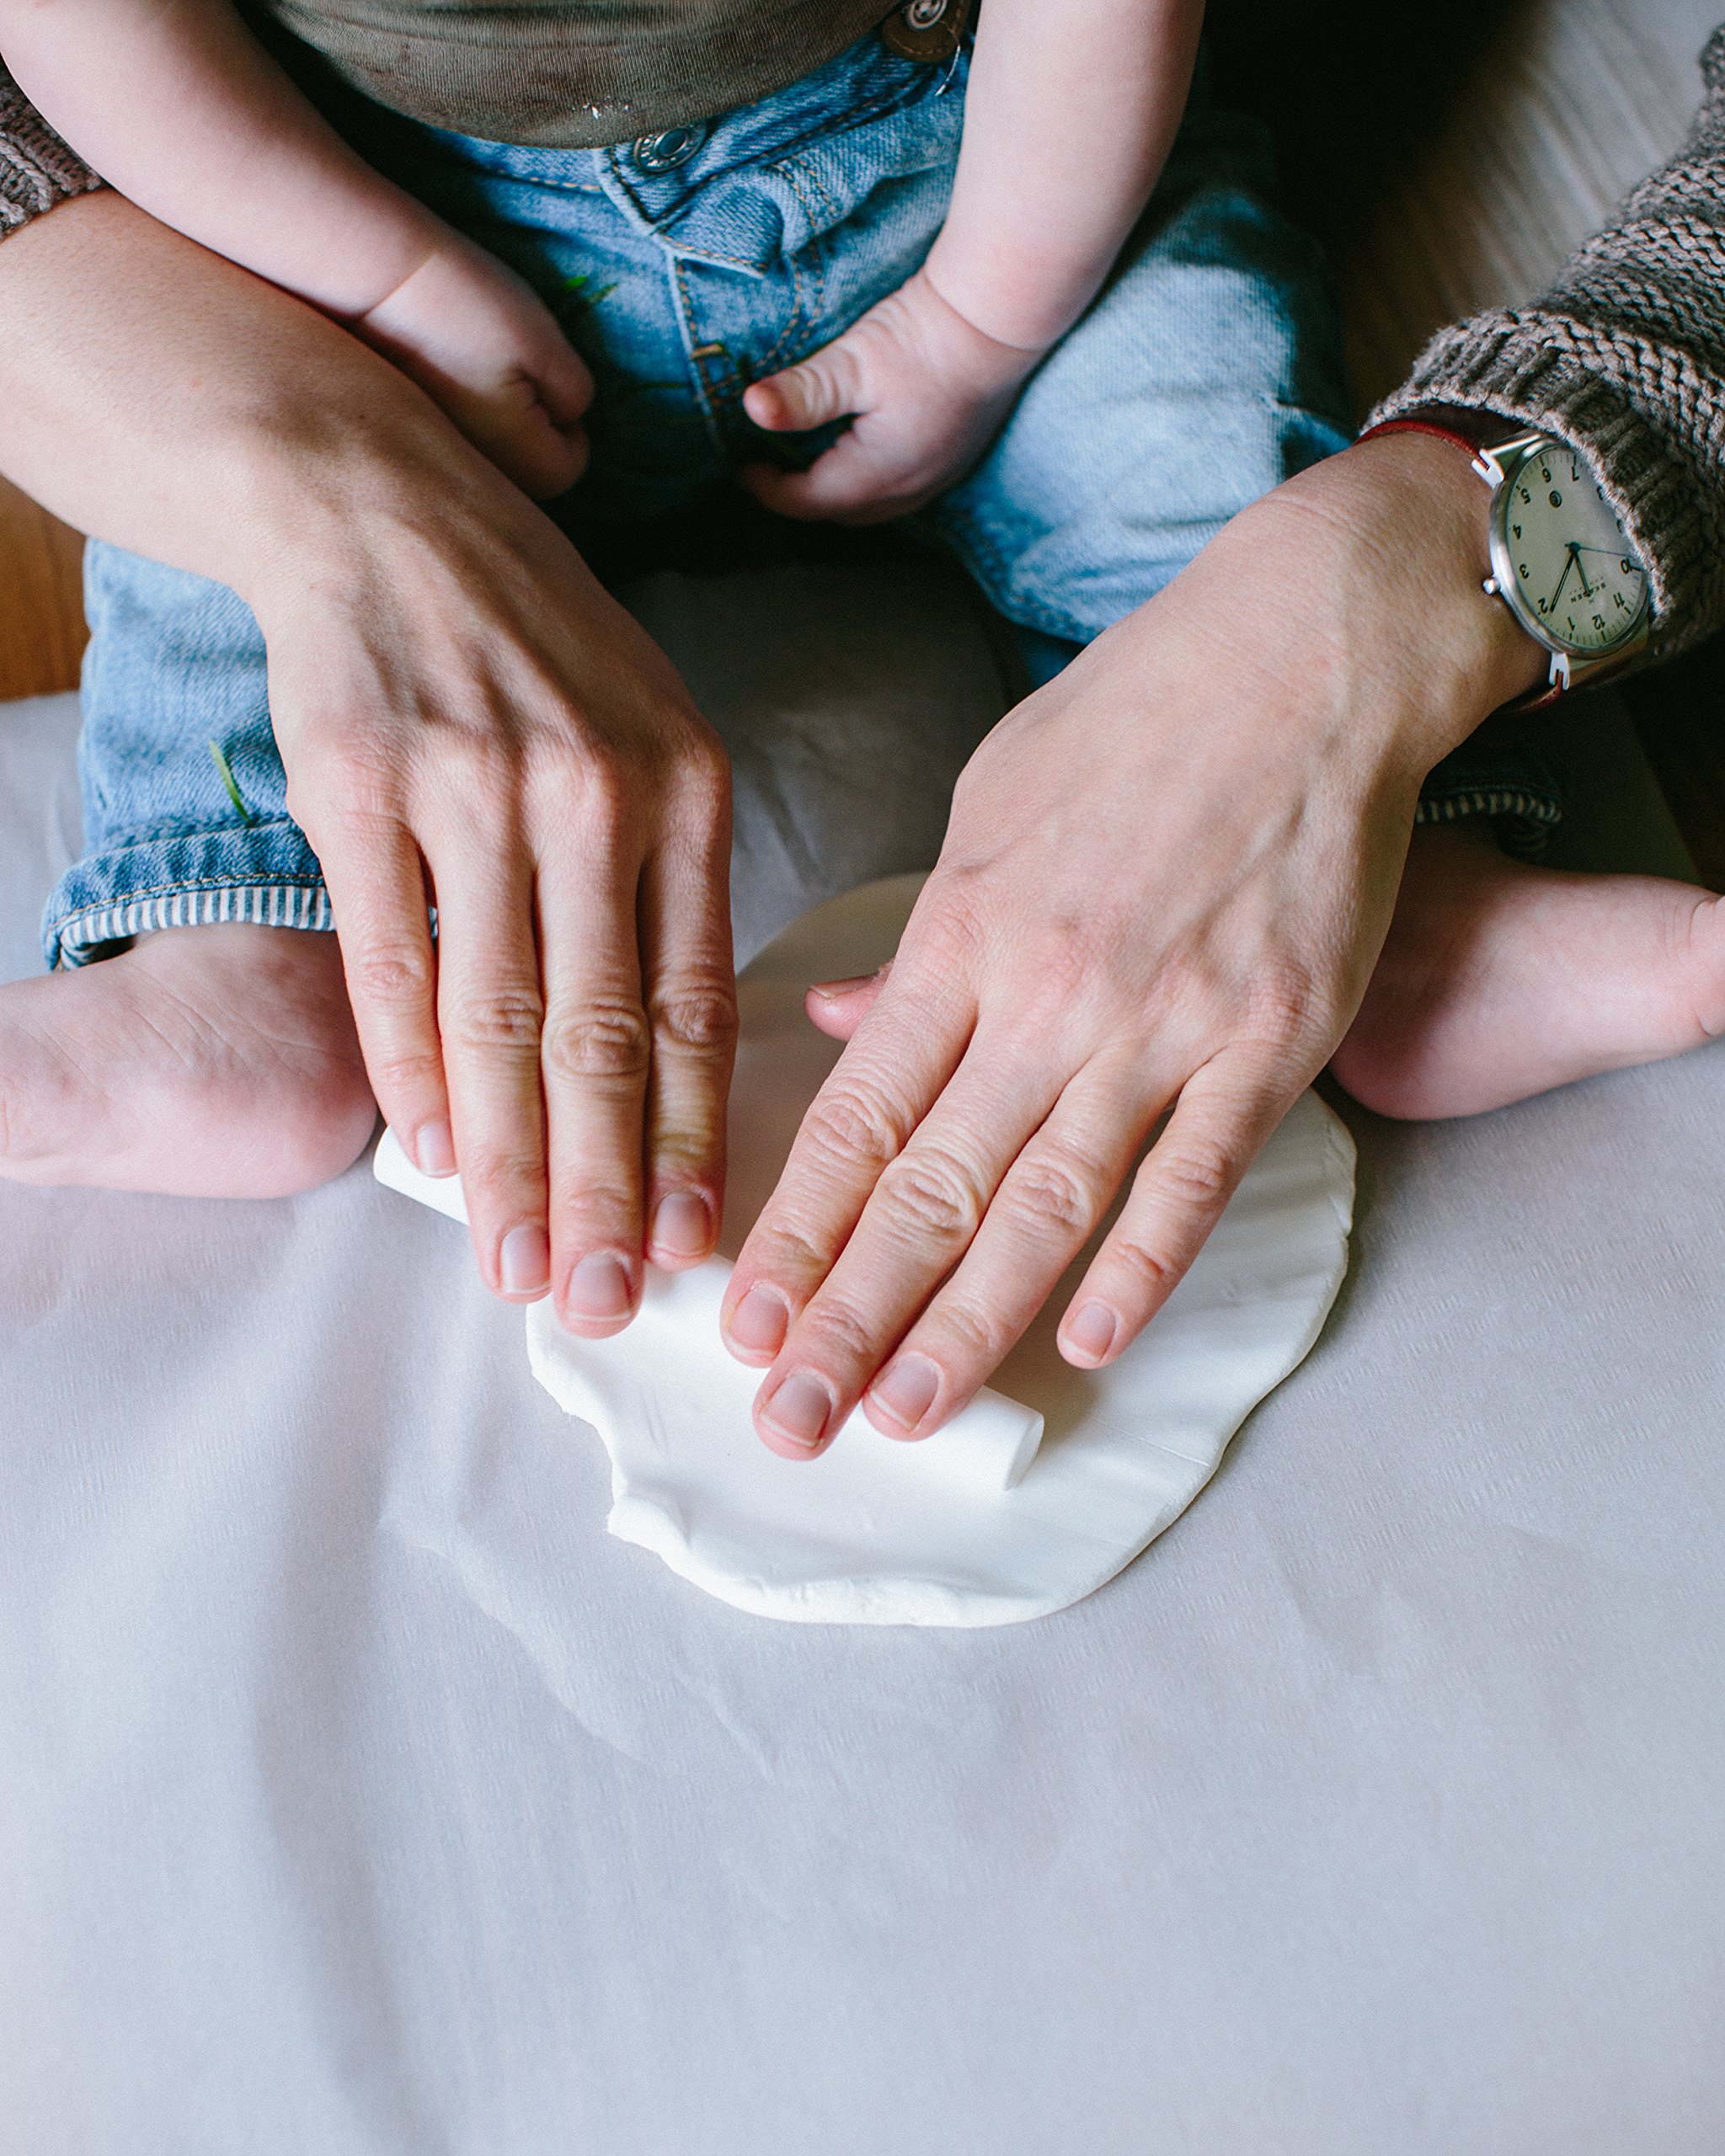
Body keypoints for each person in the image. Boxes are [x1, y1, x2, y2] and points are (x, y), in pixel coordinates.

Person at [0, 6, 1720, 1463]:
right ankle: (233, 942)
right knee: (208, 487)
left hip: (970, 179)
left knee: (1179, 378)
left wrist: (984, 316)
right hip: (357, 233)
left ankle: (1411, 885)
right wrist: (370, 280)